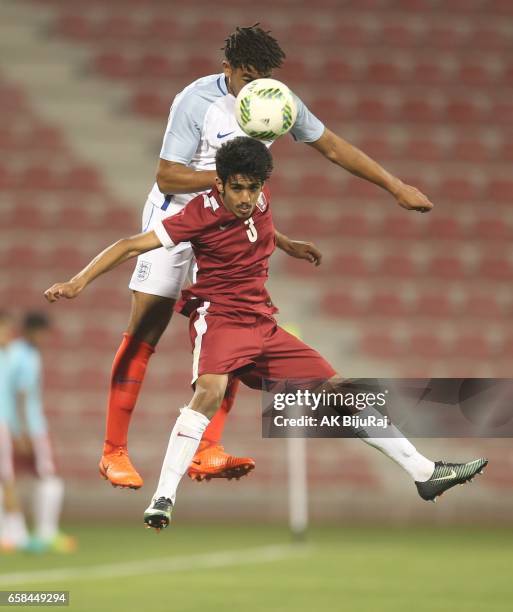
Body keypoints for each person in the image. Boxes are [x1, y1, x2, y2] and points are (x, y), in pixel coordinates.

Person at [44, 137, 487, 531]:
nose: (246, 196)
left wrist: (289, 244)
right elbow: (129, 245)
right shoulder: (198, 214)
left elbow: (261, 227)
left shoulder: (259, 198)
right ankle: (164, 498)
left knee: (341, 392)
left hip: (263, 323)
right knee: (210, 391)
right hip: (219, 318)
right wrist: (78, 282)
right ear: (219, 184)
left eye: (252, 187)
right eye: (236, 186)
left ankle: (424, 473)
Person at [101, 24, 435, 490]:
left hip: (229, 228)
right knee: (145, 331)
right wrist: (226, 180)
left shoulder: (279, 103)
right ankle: (113, 450)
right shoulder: (196, 100)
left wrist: (395, 187)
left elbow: (334, 147)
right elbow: (168, 176)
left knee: (236, 324)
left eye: (262, 79)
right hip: (175, 217)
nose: (254, 87)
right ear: (228, 69)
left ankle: (207, 449)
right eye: (247, 77)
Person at [3, 312, 75, 553]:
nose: (45, 338)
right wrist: (22, 431)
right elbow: (22, 395)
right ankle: (45, 533)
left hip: (12, 425)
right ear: (34, 331)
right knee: (48, 477)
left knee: (8, 479)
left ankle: (13, 532)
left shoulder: (11, 352)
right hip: (30, 428)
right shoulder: (26, 356)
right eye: (44, 333)